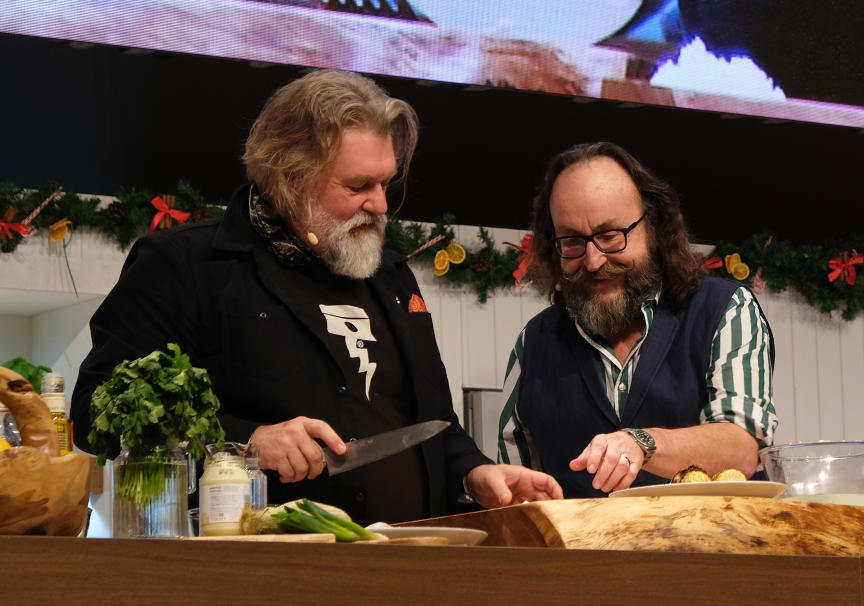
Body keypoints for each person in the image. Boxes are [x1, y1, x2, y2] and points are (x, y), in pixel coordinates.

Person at [72, 69, 561, 525]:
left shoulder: (392, 278)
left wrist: (475, 473)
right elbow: (96, 410)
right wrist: (245, 443)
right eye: (358, 185)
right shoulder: (184, 266)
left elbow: (433, 425)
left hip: (412, 562)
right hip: (257, 575)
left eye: (386, 182)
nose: (381, 204)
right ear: (290, 177)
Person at [497, 142, 777, 497]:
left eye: (610, 236)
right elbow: (518, 496)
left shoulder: (724, 310)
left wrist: (641, 442)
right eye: (571, 242)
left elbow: (741, 449)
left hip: (709, 549)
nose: (594, 260)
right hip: (583, 553)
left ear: (654, 227)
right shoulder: (534, 343)